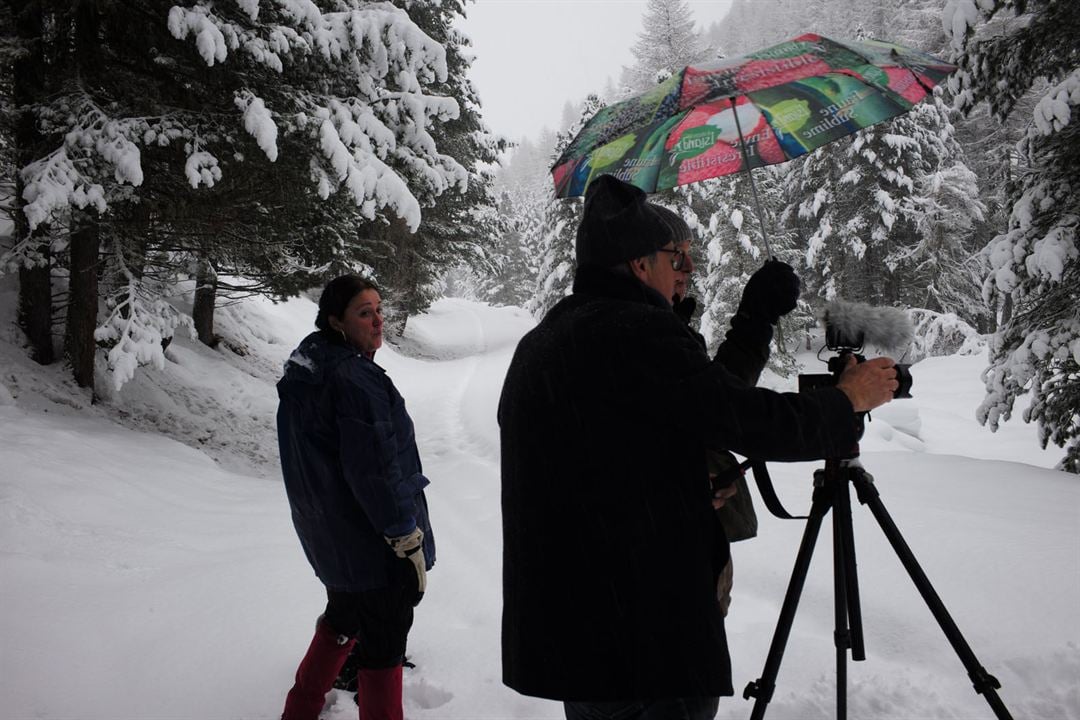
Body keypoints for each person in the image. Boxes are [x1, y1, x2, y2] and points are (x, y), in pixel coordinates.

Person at [498, 174, 898, 720]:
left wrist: (679, 487)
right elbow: (743, 419)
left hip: (577, 631)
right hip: (642, 635)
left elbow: (605, 460)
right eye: (675, 258)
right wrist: (846, 400)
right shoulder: (636, 333)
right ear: (640, 263)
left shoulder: (547, 340)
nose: (686, 271)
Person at [276, 275, 434, 720]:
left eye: (380, 309)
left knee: (341, 620)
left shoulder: (309, 368)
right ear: (336, 321)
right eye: (365, 313)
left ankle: (299, 712)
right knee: (383, 646)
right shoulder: (354, 380)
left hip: (333, 539)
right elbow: (378, 473)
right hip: (371, 546)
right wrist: (405, 539)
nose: (378, 320)